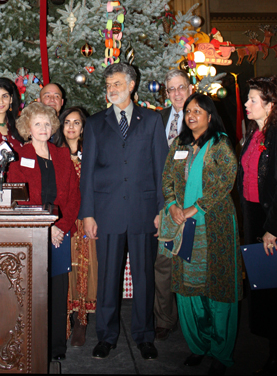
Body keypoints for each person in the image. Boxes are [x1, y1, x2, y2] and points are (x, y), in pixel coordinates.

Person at [79, 63, 168, 361]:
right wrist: (88, 214)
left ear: (132, 85)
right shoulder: (95, 123)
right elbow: (87, 173)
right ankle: (106, 336)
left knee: (144, 278)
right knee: (107, 278)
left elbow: (161, 168)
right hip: (107, 212)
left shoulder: (153, 121)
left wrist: (161, 210)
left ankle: (145, 337)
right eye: (108, 85)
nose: (112, 89)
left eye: (117, 83)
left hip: (144, 211)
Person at [161, 92, 242, 376]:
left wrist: (195, 208)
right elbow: (167, 178)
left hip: (215, 225)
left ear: (210, 115)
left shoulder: (220, 144)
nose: (191, 115)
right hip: (184, 227)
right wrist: (172, 205)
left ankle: (221, 351)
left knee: (218, 290)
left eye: (198, 110)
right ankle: (198, 346)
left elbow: (225, 181)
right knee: (189, 289)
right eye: (188, 111)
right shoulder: (179, 145)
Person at [7, 102, 80, 361]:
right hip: (32, 233)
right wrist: (43, 227)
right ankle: (32, 346)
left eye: (48, 124)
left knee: (58, 293)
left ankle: (57, 347)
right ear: (28, 127)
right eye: (37, 124)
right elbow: (18, 199)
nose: (43, 128)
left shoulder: (61, 156)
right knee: (33, 293)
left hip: (60, 232)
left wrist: (59, 226)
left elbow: (73, 196)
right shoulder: (19, 157)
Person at [237, 76, 277, 376]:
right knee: (264, 290)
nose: (246, 104)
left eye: (252, 100)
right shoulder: (253, 134)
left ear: (271, 104)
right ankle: (274, 352)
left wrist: (273, 229)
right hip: (254, 220)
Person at [54, 107, 97, 347]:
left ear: (83, 127)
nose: (71, 127)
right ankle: (65, 318)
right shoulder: (55, 154)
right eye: (67, 122)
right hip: (64, 221)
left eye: (77, 123)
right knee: (65, 269)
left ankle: (82, 321)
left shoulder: (91, 153)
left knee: (86, 268)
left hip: (86, 220)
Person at [155, 69, 193, 340]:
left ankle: (194, 320)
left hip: (193, 203)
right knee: (163, 263)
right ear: (166, 93)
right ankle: (165, 319)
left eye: (181, 87)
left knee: (193, 260)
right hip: (163, 203)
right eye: (172, 89)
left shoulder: (203, 116)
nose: (177, 93)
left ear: (190, 88)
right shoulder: (157, 119)